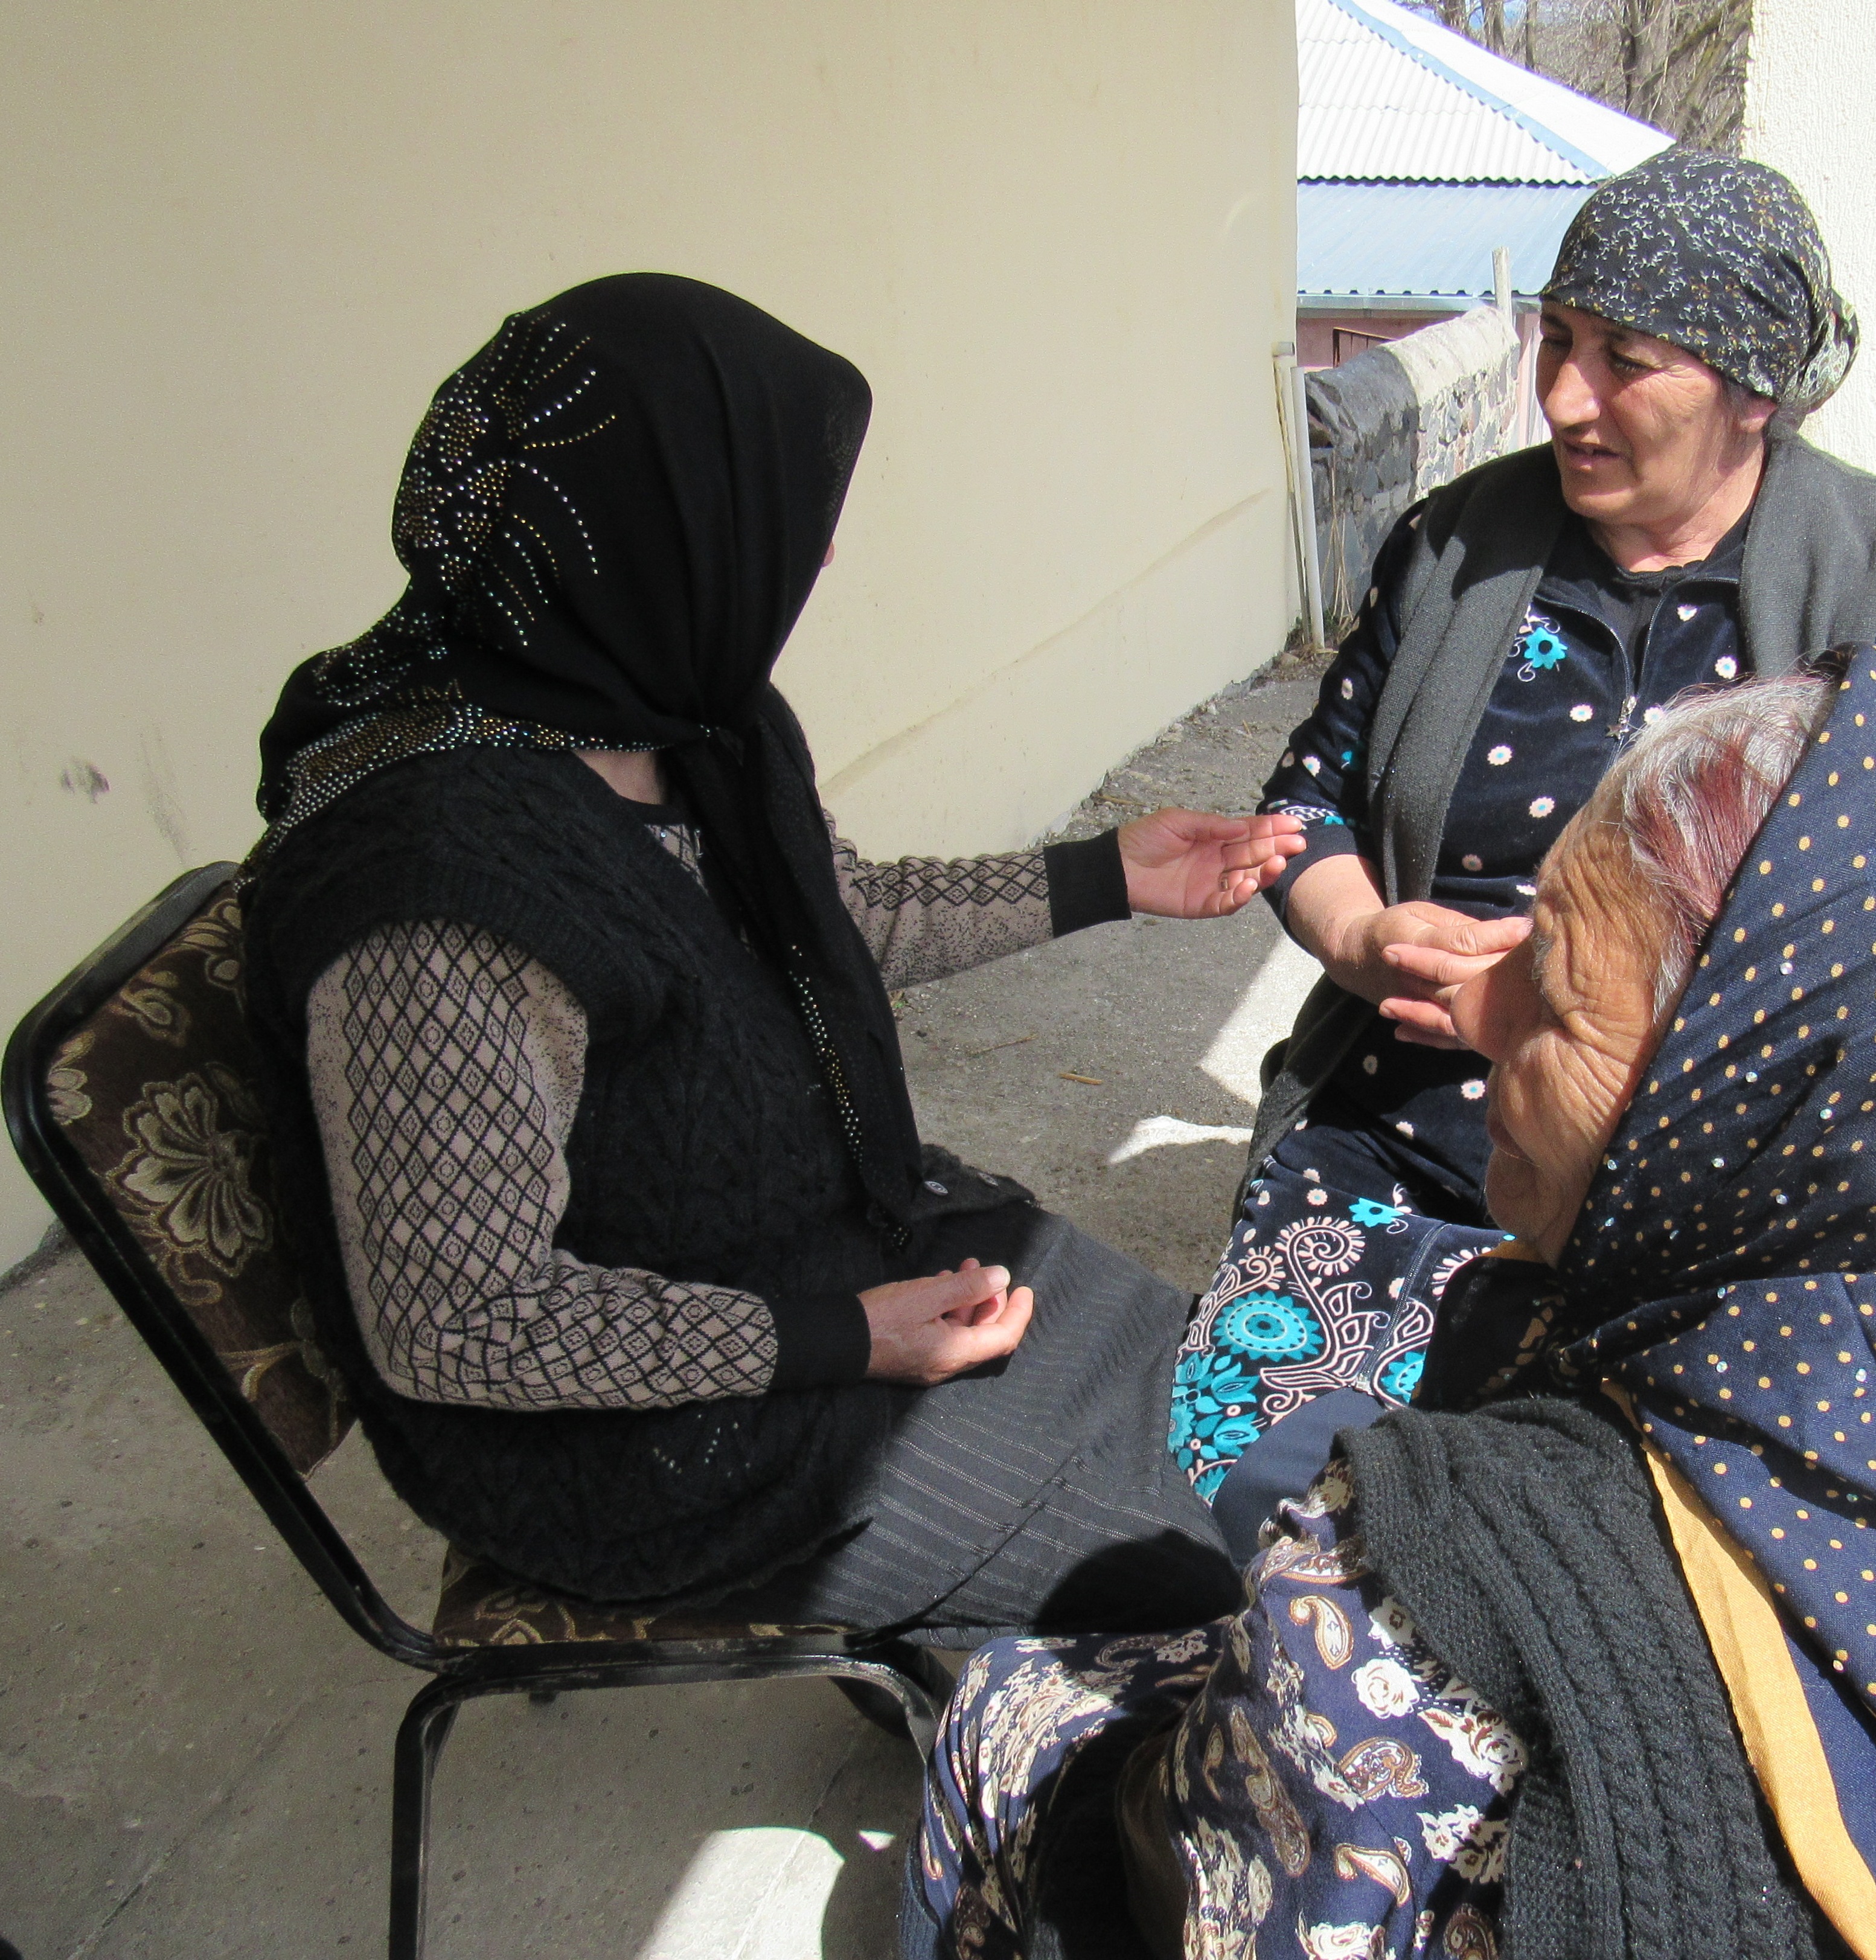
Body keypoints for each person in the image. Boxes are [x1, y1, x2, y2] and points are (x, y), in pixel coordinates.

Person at [914, 655, 1876, 1960]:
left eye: (1557, 999)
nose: (1479, 1026)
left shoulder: (1422, 1602)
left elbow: (1200, 1879)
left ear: (1756, 1117)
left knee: (1010, 1710)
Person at [240, 274, 1303, 1638]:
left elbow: (830, 918)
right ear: (656, 526)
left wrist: (1105, 876)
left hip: (817, 1241)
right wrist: (852, 1337)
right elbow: (463, 1318)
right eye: (790, 509)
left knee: (1239, 1404)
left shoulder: (684, 722)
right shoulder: (441, 903)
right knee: (1237, 1578)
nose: (824, 553)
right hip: (652, 1446)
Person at [1173, 150, 1876, 1537]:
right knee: (1239, 1501)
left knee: (1539, 1555)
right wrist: (1364, 936)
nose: (1565, 397)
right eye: (1556, 341)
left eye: (1628, 361)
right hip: (1400, 1139)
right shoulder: (1457, 543)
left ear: (1753, 389)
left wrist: (1568, 1008)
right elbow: (1309, 803)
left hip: (1701, 1198)